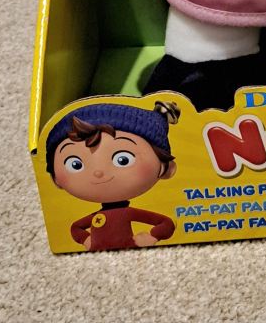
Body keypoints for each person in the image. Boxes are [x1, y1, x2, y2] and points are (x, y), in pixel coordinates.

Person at [46, 100, 179, 251]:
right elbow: (76, 228)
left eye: (123, 160)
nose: (98, 172)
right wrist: (86, 240)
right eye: (75, 164)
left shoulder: (127, 213)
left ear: (166, 168)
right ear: (55, 178)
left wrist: (151, 237)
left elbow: (166, 223)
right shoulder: (97, 217)